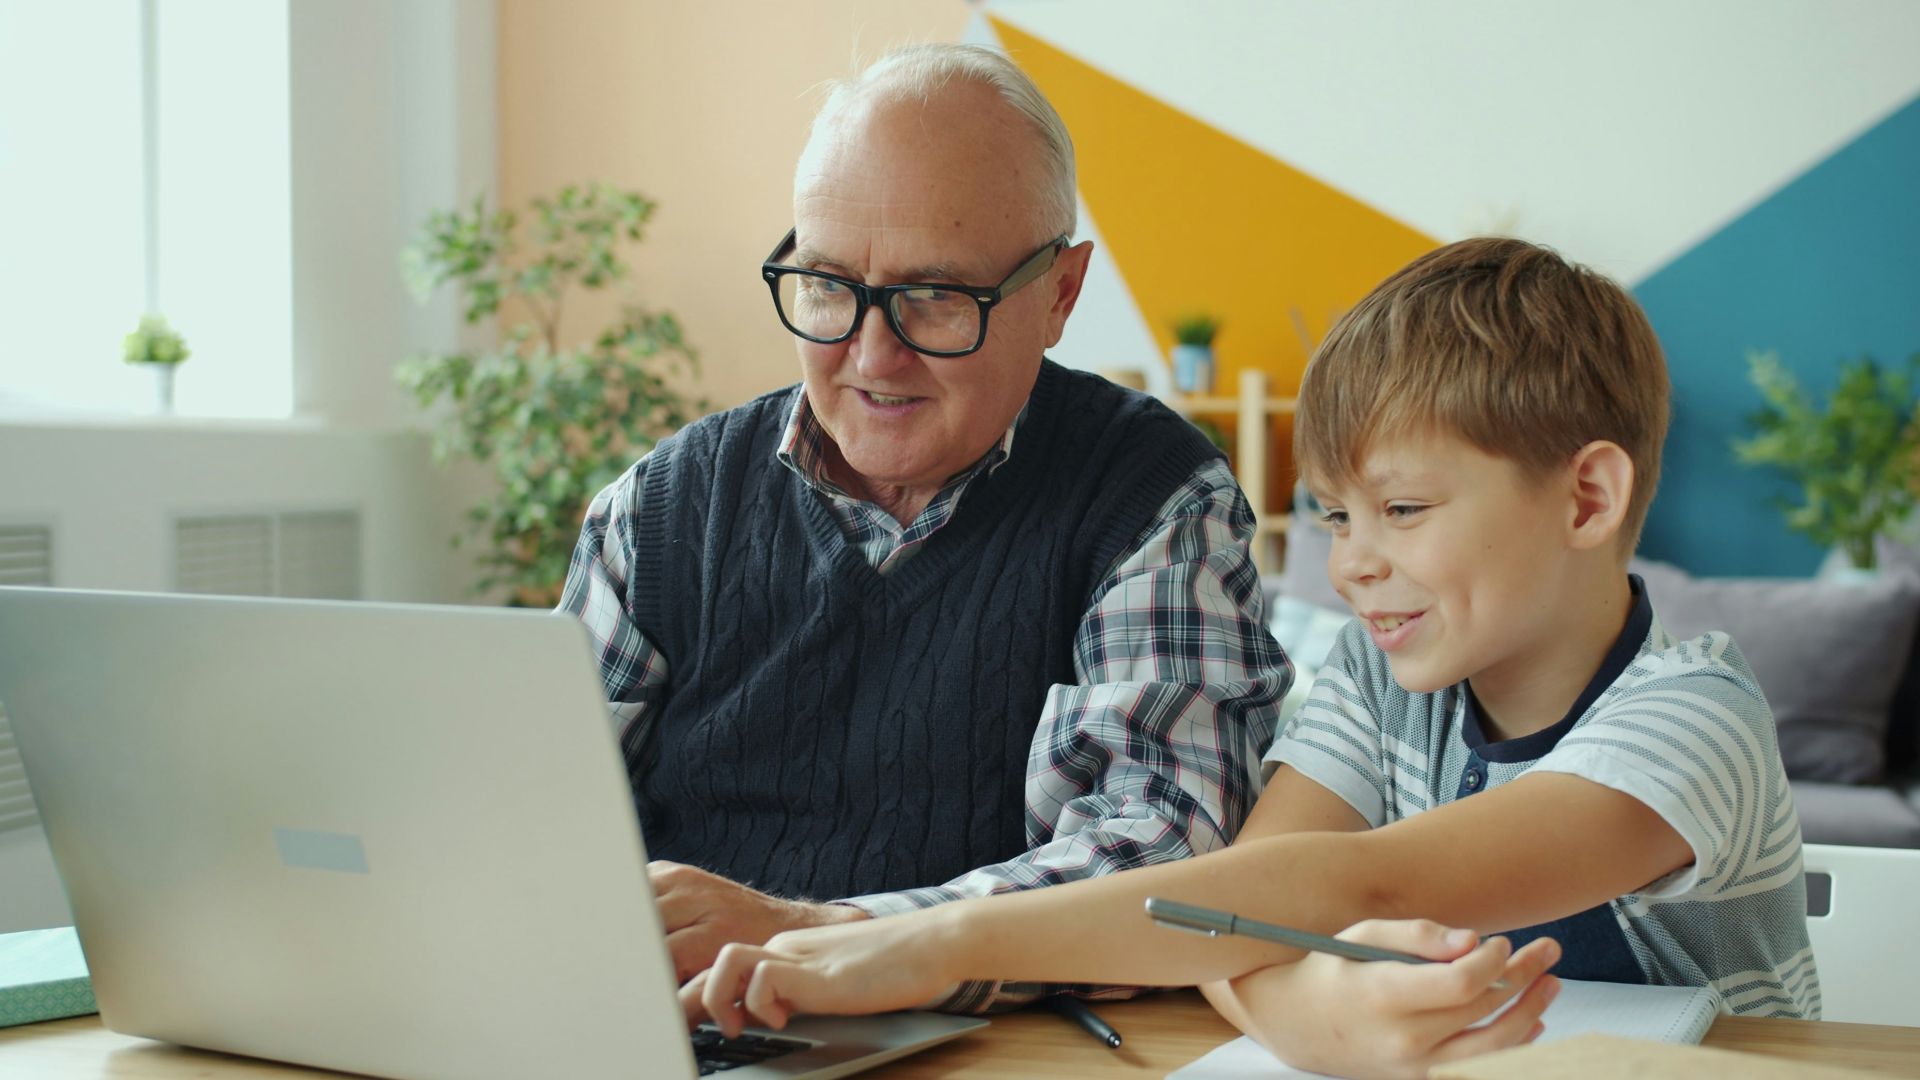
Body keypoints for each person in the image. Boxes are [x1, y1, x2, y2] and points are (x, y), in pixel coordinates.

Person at [685, 237, 1821, 1079]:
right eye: (1336, 517)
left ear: (1587, 497)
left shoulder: (1696, 716)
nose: (1352, 565)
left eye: (1403, 509)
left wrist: (922, 945)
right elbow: (1231, 910)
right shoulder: (1383, 681)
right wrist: (1313, 1012)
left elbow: (1343, 884)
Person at [555, 43, 1289, 1012]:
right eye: (827, 285)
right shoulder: (657, 509)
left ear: (1060, 293)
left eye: (935, 297)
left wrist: (827, 940)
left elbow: (1165, 859)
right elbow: (534, 819)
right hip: (676, 1030)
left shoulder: (1152, 497)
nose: (871, 356)